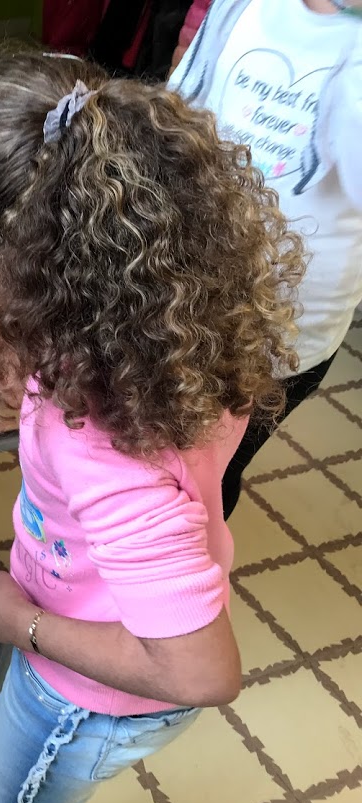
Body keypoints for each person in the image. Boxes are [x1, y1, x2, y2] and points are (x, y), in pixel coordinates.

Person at [0, 53, 303, 803]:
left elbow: (201, 673)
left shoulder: (99, 445)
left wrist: (16, 624)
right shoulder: (172, 322)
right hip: (99, 624)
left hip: (86, 696)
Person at [169, 0, 362, 517]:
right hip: (188, 298)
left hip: (289, 333)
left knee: (206, 483)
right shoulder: (244, 6)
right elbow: (178, 115)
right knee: (149, 464)